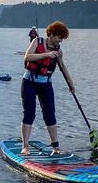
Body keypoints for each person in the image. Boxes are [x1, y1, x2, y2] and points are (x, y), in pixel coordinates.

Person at [20, 21, 74, 156]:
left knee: (50, 114)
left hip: (46, 84)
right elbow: (27, 56)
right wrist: (46, 54)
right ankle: (25, 146)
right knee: (29, 113)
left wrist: (71, 84)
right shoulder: (37, 42)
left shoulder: (59, 51)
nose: (60, 40)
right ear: (52, 34)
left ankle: (56, 147)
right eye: (59, 37)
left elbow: (63, 68)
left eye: (62, 38)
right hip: (29, 82)